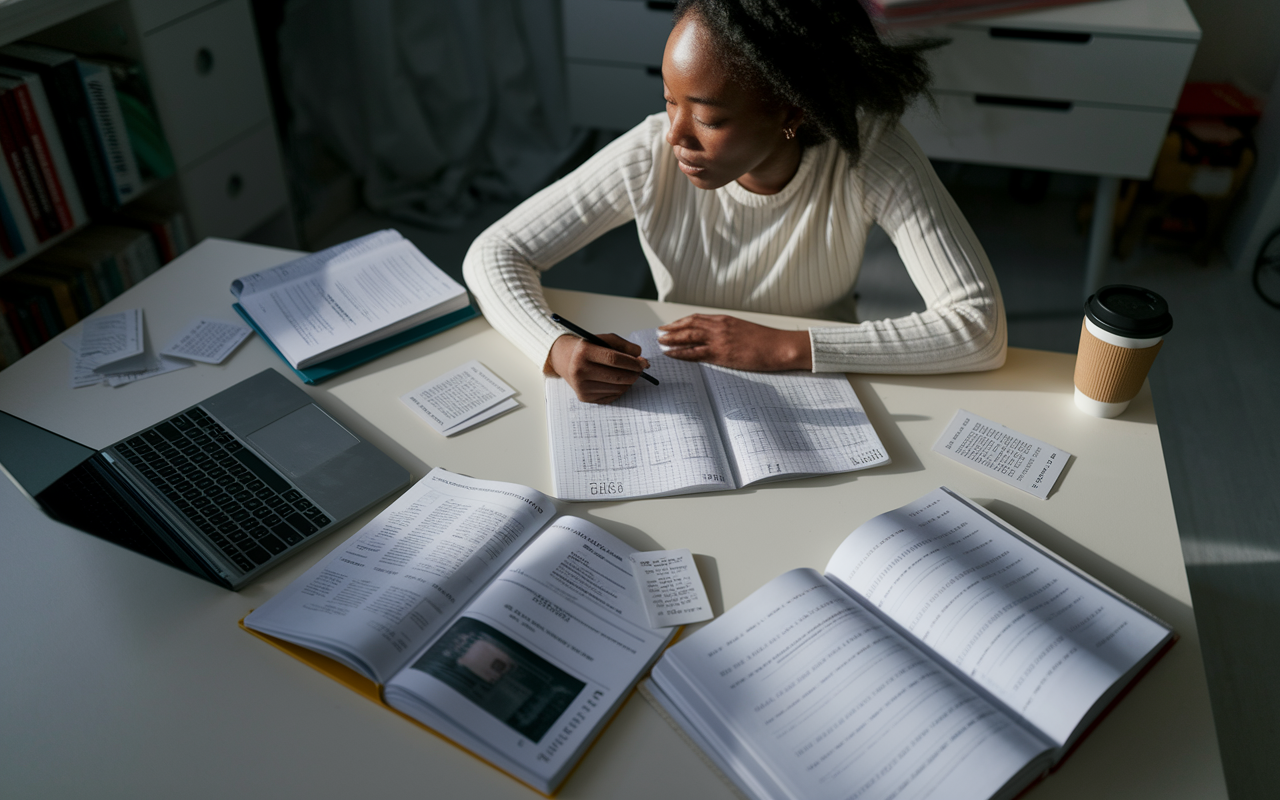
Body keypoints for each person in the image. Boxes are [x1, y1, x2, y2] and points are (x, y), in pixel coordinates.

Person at [463, 0, 1006, 404]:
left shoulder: (870, 155)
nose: (675, 135)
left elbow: (979, 329)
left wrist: (786, 347)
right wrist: (554, 347)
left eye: (708, 118)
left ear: (791, 113)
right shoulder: (651, 152)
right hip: (682, 386)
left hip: (825, 386)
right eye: (668, 101)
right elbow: (495, 253)